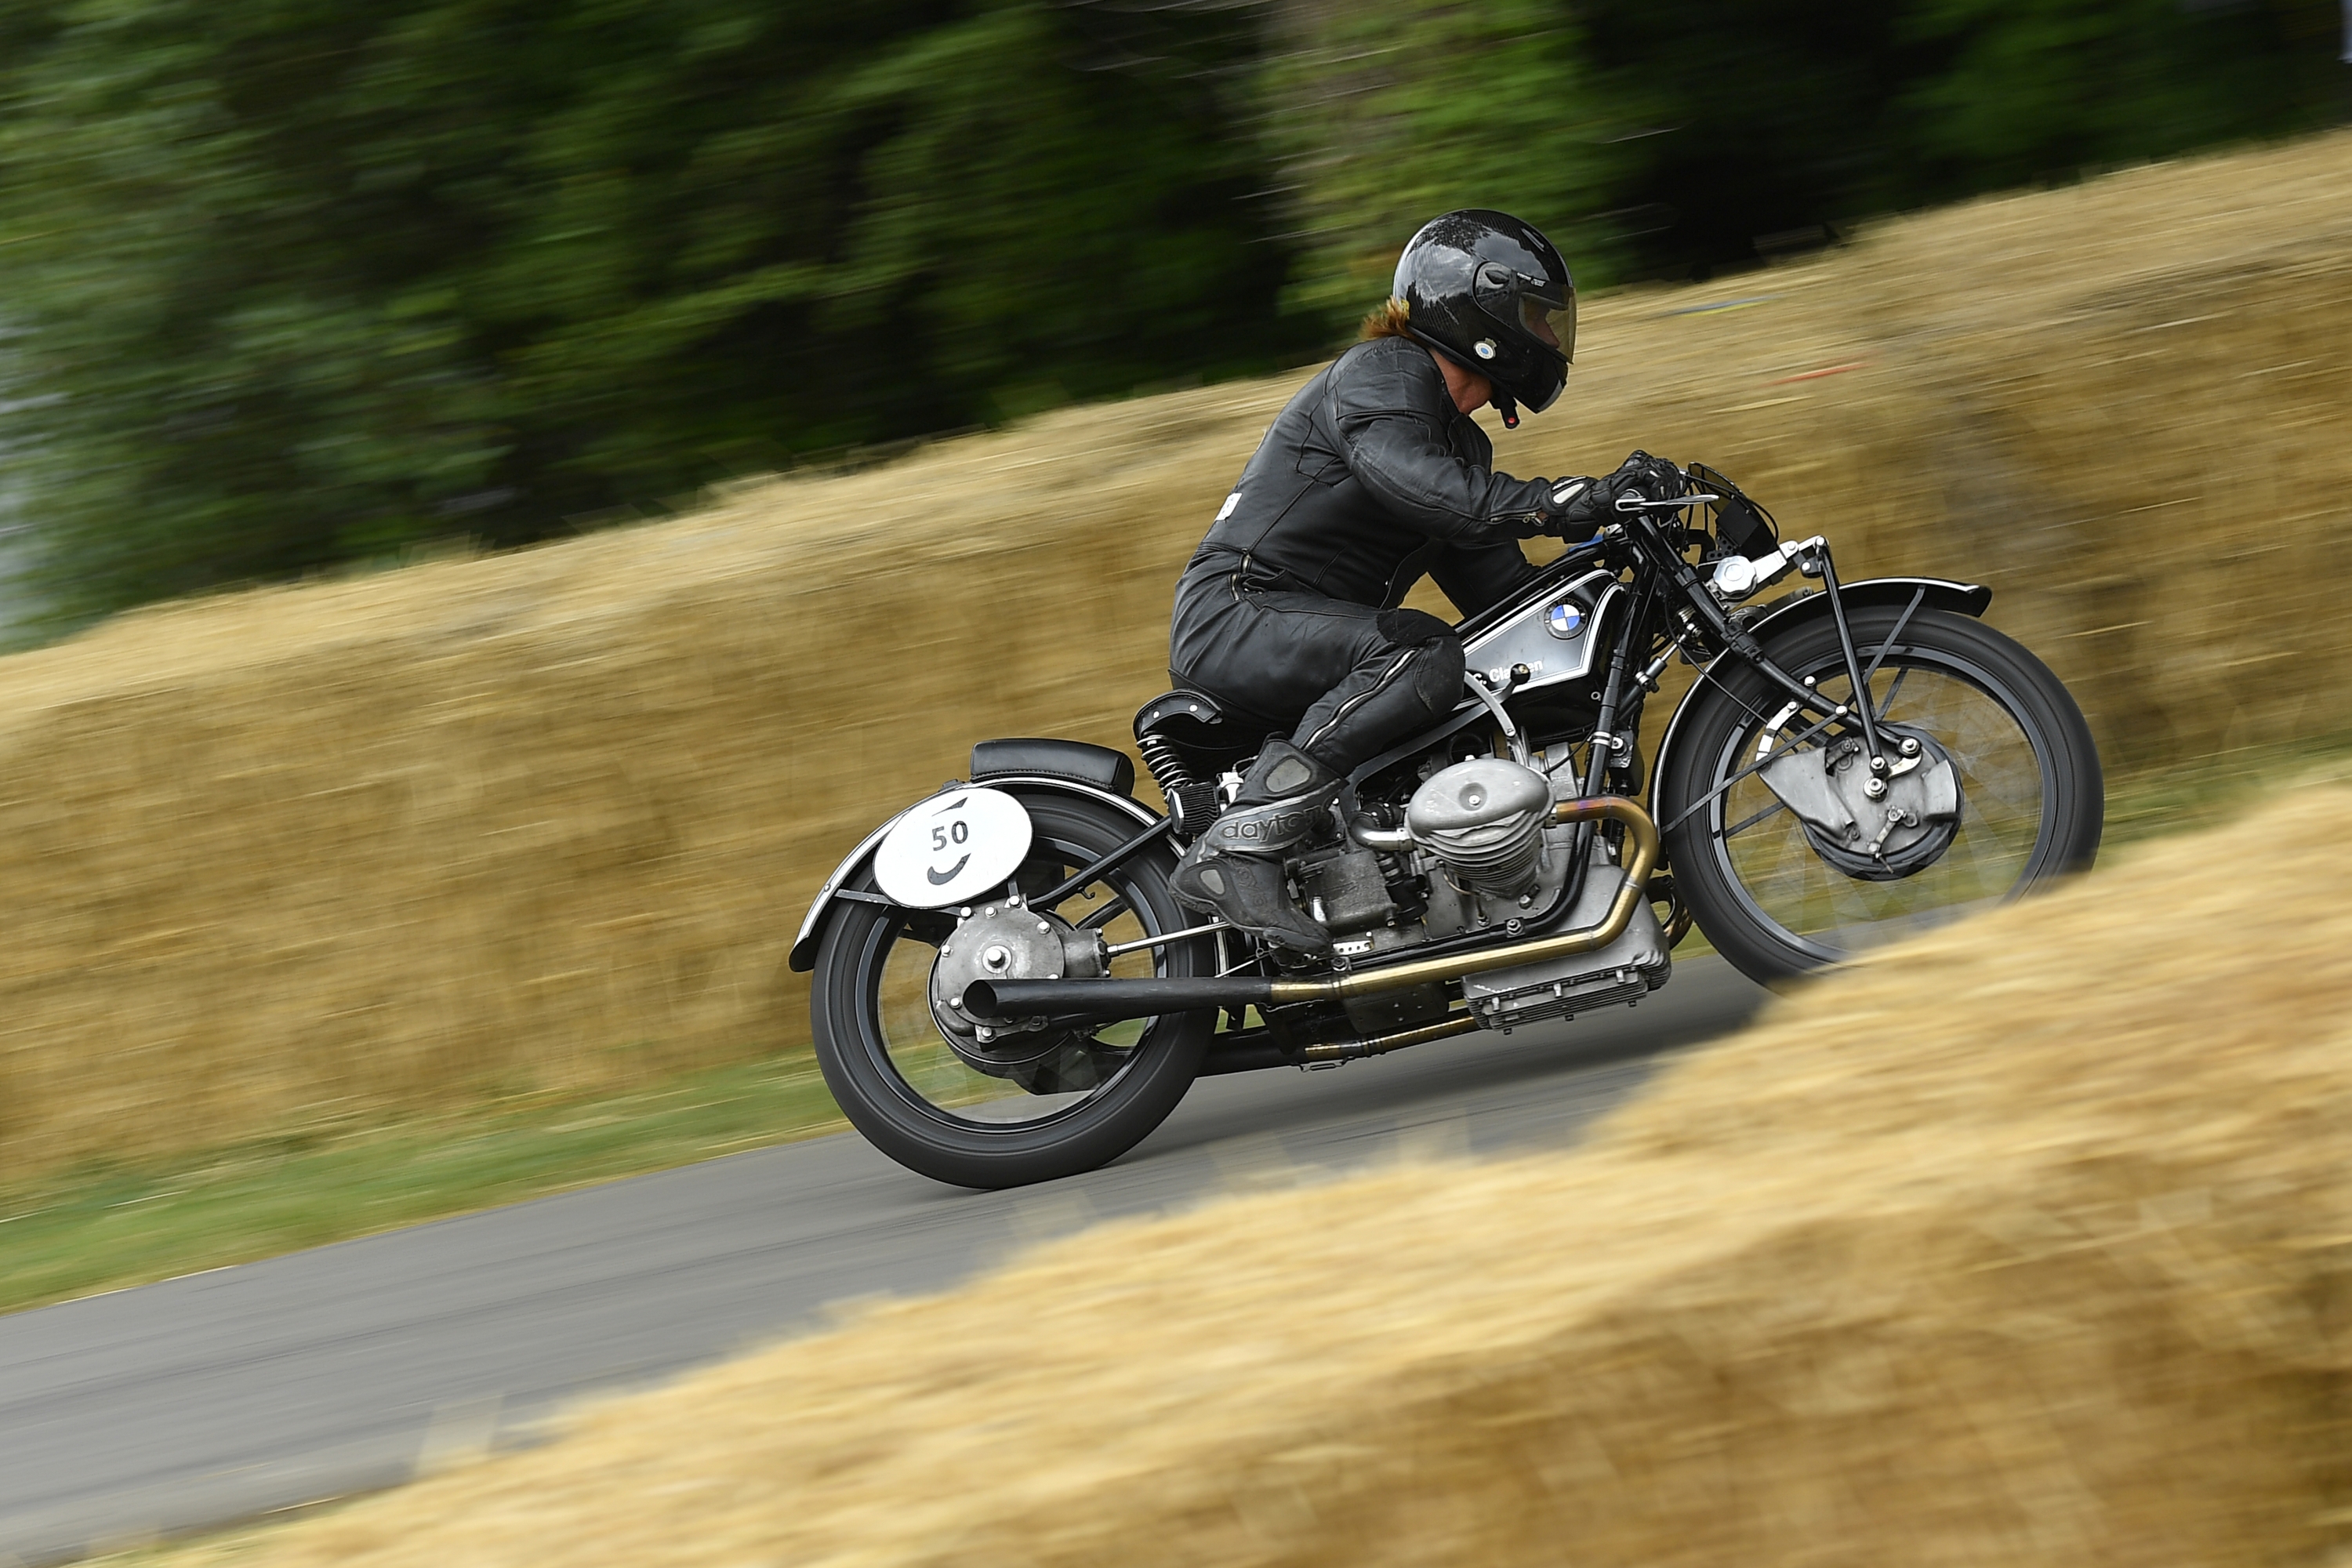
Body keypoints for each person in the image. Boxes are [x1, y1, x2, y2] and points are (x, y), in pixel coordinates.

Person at [1165, 208, 1668, 956]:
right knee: (1421, 653)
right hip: (1238, 612)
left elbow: (1504, 594)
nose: (1549, 335)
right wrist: (1559, 502)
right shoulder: (1387, 371)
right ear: (1479, 307)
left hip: (1286, 623)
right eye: (1536, 314)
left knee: (1484, 677)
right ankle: (1239, 849)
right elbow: (1418, 484)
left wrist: (1616, 573)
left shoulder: (1455, 439)